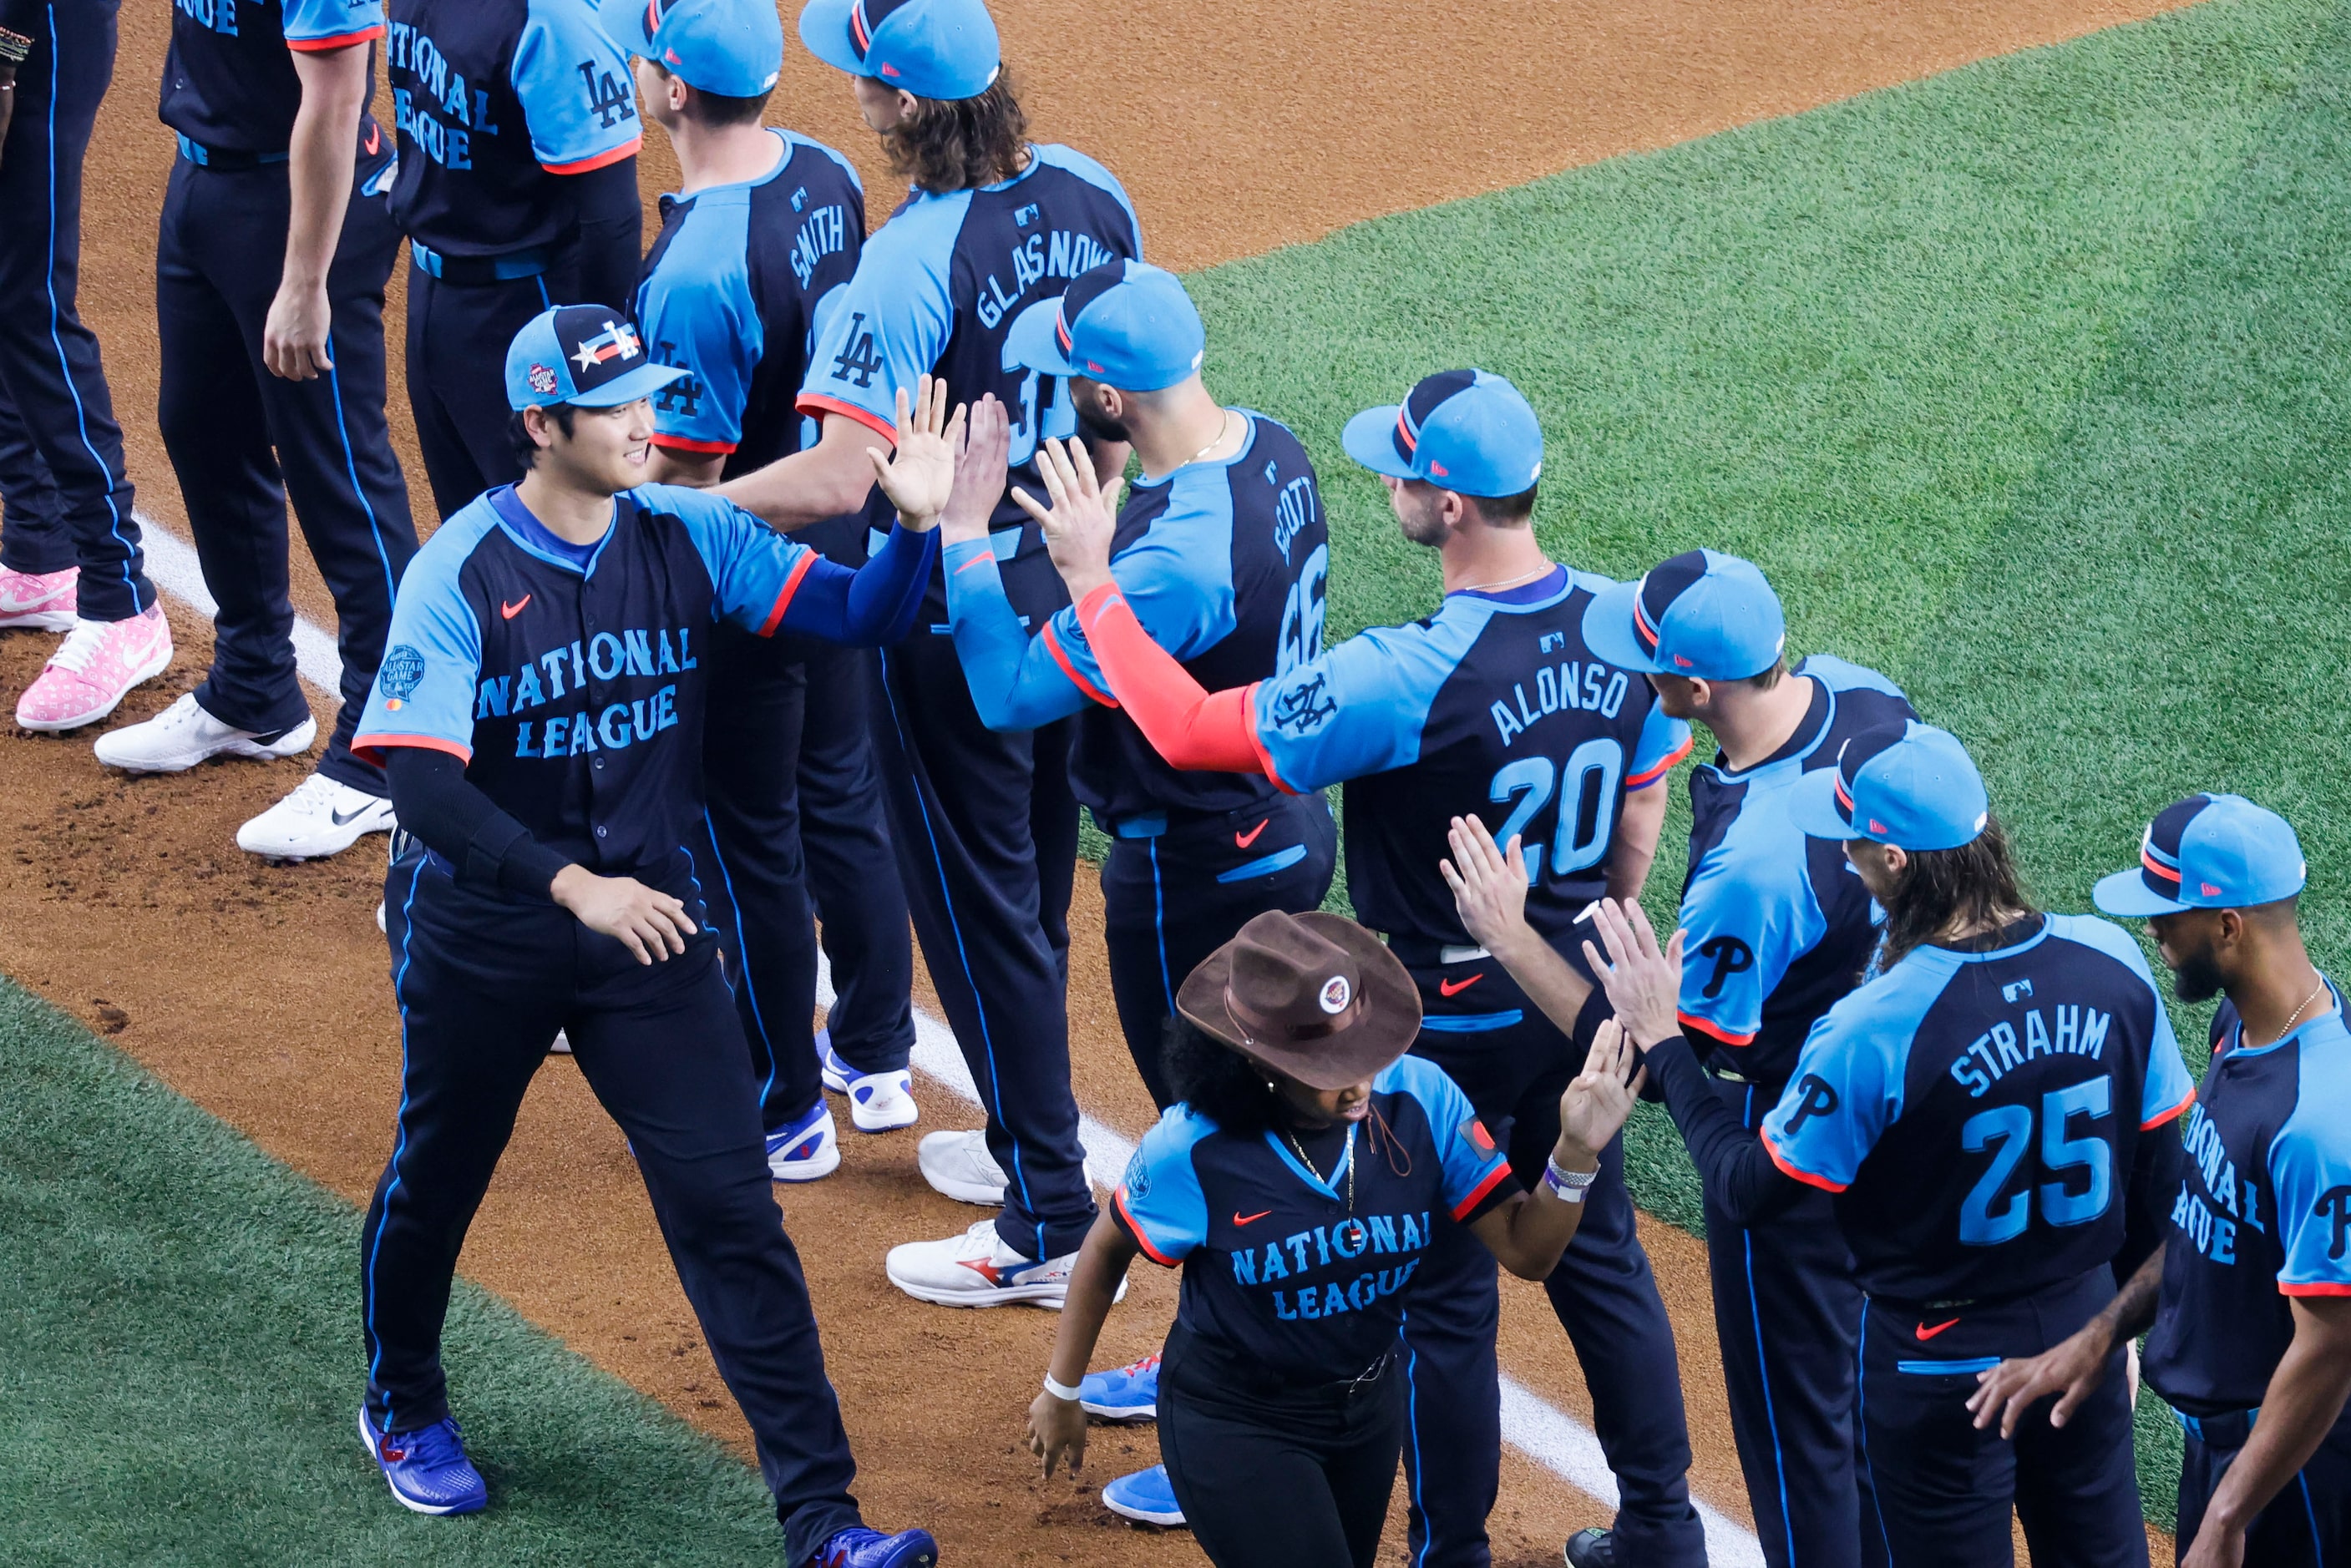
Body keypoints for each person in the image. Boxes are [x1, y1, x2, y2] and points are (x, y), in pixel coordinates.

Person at [1006, 374, 1707, 1566]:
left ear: (1446, 503)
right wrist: (1588, 921)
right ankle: (1660, 1526)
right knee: (1601, 1260)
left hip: (1428, 1024)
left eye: (1397, 471)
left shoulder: (1404, 672)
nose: (1382, 482)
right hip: (1571, 1003)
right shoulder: (1622, 625)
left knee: (1442, 1301)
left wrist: (1088, 580)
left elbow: (1184, 730)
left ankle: (1452, 1551)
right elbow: (1640, 808)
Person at [347, 304, 942, 1568]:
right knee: (439, 1172)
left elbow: (860, 617)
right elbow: (420, 786)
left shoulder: (689, 532)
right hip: (487, 929)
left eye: (645, 398)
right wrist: (569, 884)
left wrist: (913, 523)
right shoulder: (459, 572)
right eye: (612, 407)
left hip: (650, 930)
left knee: (733, 1211)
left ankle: (822, 1525)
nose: (641, 424)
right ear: (540, 425)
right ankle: (400, 1399)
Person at [1495, 722, 2195, 1567]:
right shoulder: (2111, 959)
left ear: (1895, 861)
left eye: (1853, 849)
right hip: (2081, 1337)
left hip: (1940, 1375)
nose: (1848, 864)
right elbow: (2162, 1189)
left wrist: (1664, 1039)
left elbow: (1749, 1188)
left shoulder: (1876, 1025)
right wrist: (2113, 1329)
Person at [718, 0, 1143, 1308]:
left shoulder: (904, 266)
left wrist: (673, 511)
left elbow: (843, 476)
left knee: (972, 911)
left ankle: (1043, 1216)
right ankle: (1029, 1138)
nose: (855, 98)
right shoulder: (1092, 192)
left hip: (956, 618)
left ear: (903, 107)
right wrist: (1093, 547)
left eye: (866, 84)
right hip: (1068, 585)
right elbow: (1112, 403)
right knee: (1031, 882)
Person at [1023, 908, 1645, 1568]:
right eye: (1326, 1069)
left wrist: (1575, 1151)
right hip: (1235, 1417)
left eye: (1364, 1053)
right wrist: (1060, 1392)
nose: (1358, 1084)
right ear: (1259, 1063)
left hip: (1367, 1410)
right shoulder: (1192, 1147)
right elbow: (1105, 1248)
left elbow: (1528, 1252)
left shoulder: (1423, 1100)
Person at [609, 0, 917, 1179]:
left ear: (675, 92)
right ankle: (877, 1055)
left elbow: (684, 480)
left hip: (748, 574)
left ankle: (784, 1105)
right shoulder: (827, 171)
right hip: (845, 538)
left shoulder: (693, 275)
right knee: (839, 794)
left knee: (744, 838)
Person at [1572, 549, 1910, 1568]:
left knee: (1796, 1427)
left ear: (1695, 691)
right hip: (1908, 1092)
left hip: (1801, 1149)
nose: (1637, 680)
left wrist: (1511, 944)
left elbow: (1686, 1053)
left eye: (1648, 667)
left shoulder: (1752, 872)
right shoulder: (1863, 691)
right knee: (1880, 1395)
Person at [940, 260, 1336, 1111]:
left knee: (1202, 1121)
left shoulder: (1171, 569)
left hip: (1198, 866)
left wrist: (964, 529)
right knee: (1282, 1101)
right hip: (1288, 821)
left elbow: (1005, 695)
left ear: (1110, 401)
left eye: (1072, 370)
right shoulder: (1270, 442)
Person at [1974, 793, 2351, 1568]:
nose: (2153, 932)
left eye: (2165, 915)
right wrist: (2100, 1334)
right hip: (2226, 1450)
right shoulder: (2238, 1029)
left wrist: (2227, 1516)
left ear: (2227, 926)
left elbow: (2333, 1345)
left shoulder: (2321, 1119)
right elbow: (2201, 1219)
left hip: (2298, 1468)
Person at [92, 0, 420, 862]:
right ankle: (254, 687)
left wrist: (306, 279)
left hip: (299, 204)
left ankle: (387, 757)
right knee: (201, 427)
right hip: (202, 183)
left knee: (337, 473)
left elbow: (338, 99)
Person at [385, 0, 645, 519]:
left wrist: (597, 374)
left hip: (525, 310)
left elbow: (612, 217)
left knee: (554, 536)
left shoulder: (554, 19)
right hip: (434, 296)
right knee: (474, 534)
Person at [0, 0, 169, 733]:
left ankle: (117, 592)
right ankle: (39, 554)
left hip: (35, 23)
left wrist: (6, 54)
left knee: (28, 301)